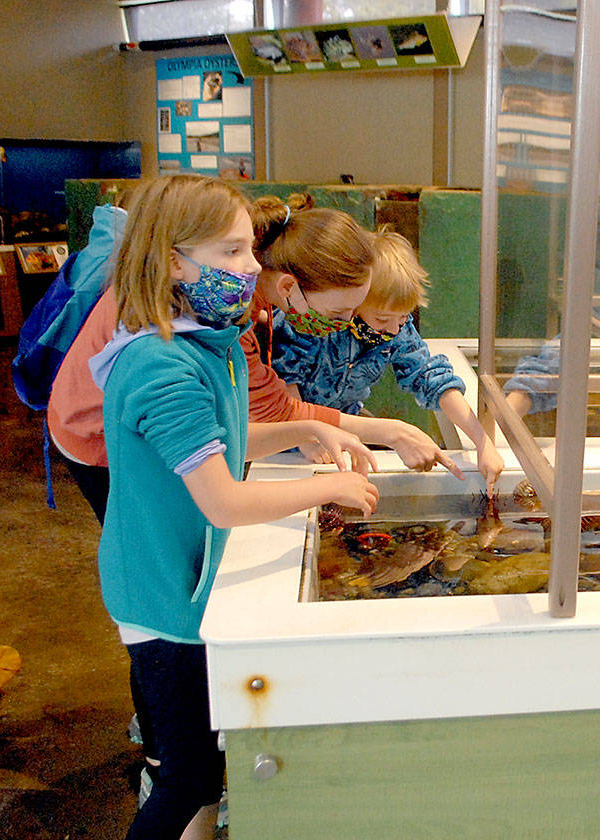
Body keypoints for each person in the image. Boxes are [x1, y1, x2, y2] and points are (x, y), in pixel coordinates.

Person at [92, 175, 379, 840]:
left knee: (201, 768)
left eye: (249, 250)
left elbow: (227, 443)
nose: (250, 268)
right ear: (170, 261)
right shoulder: (164, 368)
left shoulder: (206, 340)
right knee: (187, 778)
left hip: (180, 584)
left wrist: (307, 430)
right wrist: (328, 487)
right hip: (161, 599)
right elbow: (222, 499)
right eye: (228, 253)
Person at [48, 194, 458, 524]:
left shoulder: (225, 307)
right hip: (99, 436)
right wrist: (367, 446)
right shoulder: (169, 359)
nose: (249, 264)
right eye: (337, 315)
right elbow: (228, 489)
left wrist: (315, 427)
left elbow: (238, 429)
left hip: (161, 441)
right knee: (158, 532)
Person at [268, 227, 504, 489]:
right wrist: (305, 439)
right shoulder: (316, 322)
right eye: (382, 319)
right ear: (354, 301)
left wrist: (483, 443)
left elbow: (431, 378)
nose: (393, 329)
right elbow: (284, 381)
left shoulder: (397, 331)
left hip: (343, 439)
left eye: (403, 317)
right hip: (284, 445)